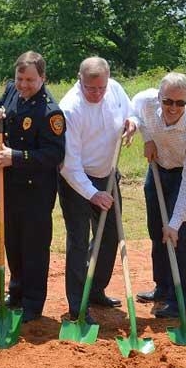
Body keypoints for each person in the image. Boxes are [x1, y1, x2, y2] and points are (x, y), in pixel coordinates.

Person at [0, 51, 66, 323]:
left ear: (43, 78)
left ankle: (33, 302)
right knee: (13, 243)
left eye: (30, 80)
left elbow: (54, 155)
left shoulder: (51, 112)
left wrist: (15, 157)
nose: (24, 85)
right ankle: (16, 291)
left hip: (37, 191)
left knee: (34, 247)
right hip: (9, 187)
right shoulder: (11, 91)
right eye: (20, 78)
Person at [58, 57, 137, 322]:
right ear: (80, 79)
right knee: (78, 240)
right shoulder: (70, 108)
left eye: (101, 88)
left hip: (108, 174)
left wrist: (132, 122)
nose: (97, 93)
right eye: (91, 88)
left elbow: (129, 110)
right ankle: (77, 305)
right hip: (77, 181)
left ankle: (95, 289)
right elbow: (69, 165)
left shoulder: (113, 88)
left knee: (111, 235)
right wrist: (93, 193)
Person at [131, 72, 186, 318]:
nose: (173, 107)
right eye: (167, 101)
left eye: (180, 103)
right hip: (157, 168)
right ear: (159, 96)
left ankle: (178, 299)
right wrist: (146, 139)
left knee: (176, 235)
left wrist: (175, 222)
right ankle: (162, 287)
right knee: (156, 230)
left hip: (183, 175)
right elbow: (133, 112)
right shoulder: (145, 101)